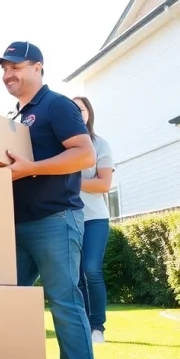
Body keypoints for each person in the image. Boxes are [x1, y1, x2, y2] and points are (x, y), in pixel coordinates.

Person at [0, 40, 99, 359]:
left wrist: (32, 168)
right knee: (4, 302)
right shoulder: (16, 117)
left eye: (16, 66)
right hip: (17, 223)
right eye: (5, 68)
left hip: (55, 220)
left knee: (64, 303)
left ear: (38, 67)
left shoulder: (57, 106)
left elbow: (85, 156)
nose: (9, 74)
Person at [73, 95, 115, 344]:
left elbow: (104, 184)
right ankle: (83, 326)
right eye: (72, 110)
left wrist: (71, 181)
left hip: (95, 219)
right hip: (69, 217)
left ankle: (97, 327)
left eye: (81, 109)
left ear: (89, 113)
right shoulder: (62, 145)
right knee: (76, 276)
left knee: (91, 270)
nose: (77, 113)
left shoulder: (100, 144)